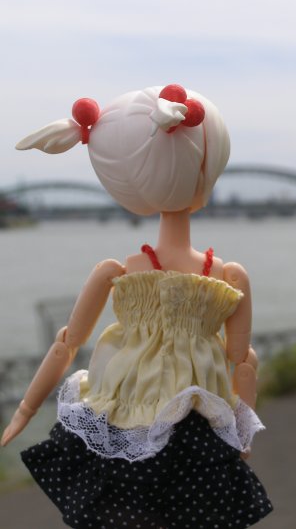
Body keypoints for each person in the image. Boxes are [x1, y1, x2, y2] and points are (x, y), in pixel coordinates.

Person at [1, 84, 273, 528]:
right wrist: (242, 437)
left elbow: (67, 343)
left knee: (124, 510)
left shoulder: (118, 270)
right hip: (192, 417)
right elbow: (243, 361)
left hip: (125, 408)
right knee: (190, 511)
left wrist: (25, 410)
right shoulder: (229, 276)